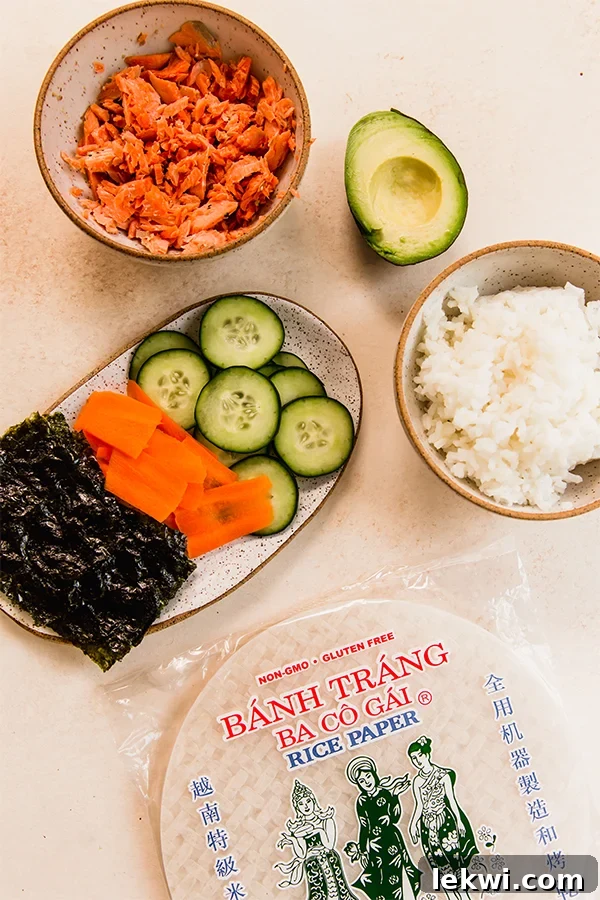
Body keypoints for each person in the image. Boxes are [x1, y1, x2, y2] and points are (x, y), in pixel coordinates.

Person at [407, 735, 478, 897]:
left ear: (426, 754)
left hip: (445, 824)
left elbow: (451, 800)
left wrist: (459, 821)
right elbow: (419, 805)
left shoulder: (442, 775)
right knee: (439, 868)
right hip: (427, 828)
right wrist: (412, 825)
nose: (416, 761)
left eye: (419, 756)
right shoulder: (417, 781)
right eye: (413, 758)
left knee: (454, 864)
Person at [344, 756, 421, 900]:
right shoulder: (362, 801)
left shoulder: (384, 793)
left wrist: (395, 796)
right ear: (359, 784)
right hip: (375, 845)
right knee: (381, 875)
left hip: (391, 839)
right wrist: (362, 850)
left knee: (398, 870)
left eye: (368, 776)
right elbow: (364, 826)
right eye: (362, 780)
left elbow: (395, 817)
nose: (367, 781)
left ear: (374, 775)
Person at [275, 779, 358, 899]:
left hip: (330, 861)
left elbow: (329, 845)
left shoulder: (326, 820)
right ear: (297, 808)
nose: (306, 806)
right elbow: (302, 853)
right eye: (301, 804)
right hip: (314, 865)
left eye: (308, 801)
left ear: (313, 800)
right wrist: (294, 839)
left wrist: (316, 830)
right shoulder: (299, 829)